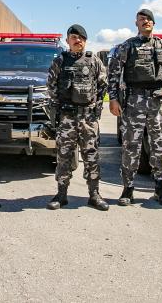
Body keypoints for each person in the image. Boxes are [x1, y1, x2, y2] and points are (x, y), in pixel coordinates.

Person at [107, 9, 162, 207]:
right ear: (136, 23)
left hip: (157, 103)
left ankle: (159, 188)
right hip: (134, 102)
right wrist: (113, 99)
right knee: (131, 146)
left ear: (153, 23)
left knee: (158, 146)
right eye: (141, 19)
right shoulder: (128, 46)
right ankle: (128, 189)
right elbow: (113, 74)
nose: (145, 21)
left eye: (148, 19)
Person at [46, 24, 109, 211]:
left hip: (88, 119)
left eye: (81, 37)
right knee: (64, 156)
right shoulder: (60, 62)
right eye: (74, 37)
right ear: (67, 41)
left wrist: (94, 107)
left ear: (85, 41)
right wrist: (60, 108)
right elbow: (51, 86)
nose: (77, 40)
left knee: (91, 157)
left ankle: (94, 195)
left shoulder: (94, 61)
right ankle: (62, 194)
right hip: (67, 118)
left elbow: (102, 85)